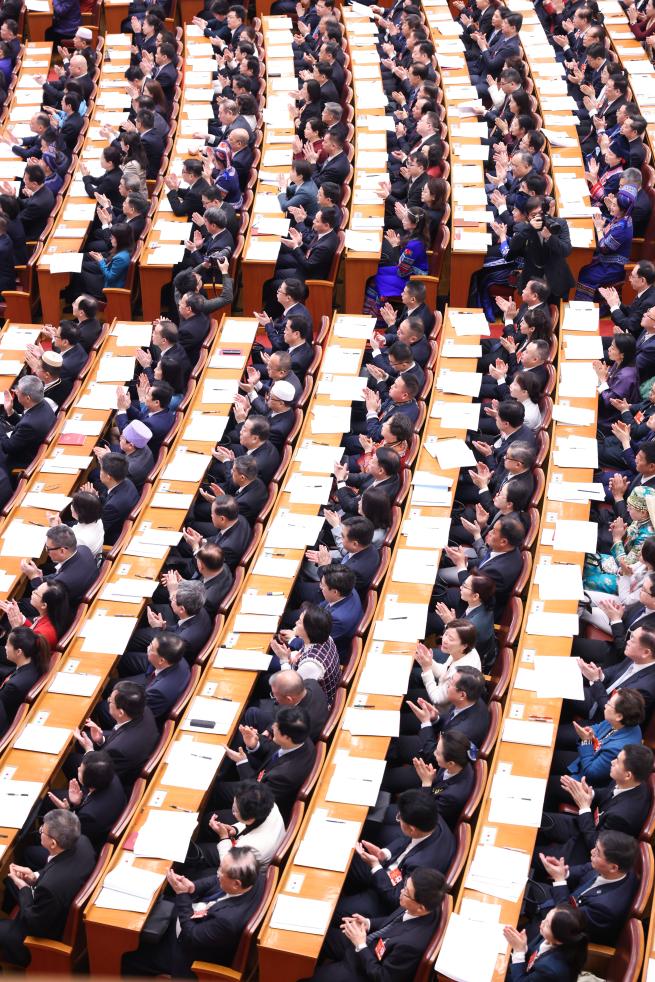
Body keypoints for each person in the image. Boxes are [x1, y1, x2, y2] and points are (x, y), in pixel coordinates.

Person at [122, 847, 266, 977]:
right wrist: (193, 887)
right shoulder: (254, 876)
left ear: (236, 884)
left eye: (222, 872)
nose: (218, 873)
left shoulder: (227, 921)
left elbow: (191, 935)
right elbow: (216, 881)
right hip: (197, 917)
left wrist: (182, 894)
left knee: (128, 953)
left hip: (187, 951)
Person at [311, 868, 446, 982]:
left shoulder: (410, 946)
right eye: (405, 886)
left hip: (364, 971)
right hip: (368, 944)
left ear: (421, 908)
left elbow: (382, 977)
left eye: (406, 892)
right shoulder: (423, 906)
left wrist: (360, 945)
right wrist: (368, 923)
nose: (401, 891)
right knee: (319, 936)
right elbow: (394, 922)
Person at [336, 789, 454, 919]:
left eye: (400, 818)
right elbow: (408, 838)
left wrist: (375, 865)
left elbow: (395, 898)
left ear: (412, 829)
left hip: (387, 896)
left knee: (336, 910)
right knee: (345, 857)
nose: (398, 820)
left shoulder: (420, 866)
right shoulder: (431, 819)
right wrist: (384, 853)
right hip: (390, 868)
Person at [0, 810, 95, 967]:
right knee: (9, 882)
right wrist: (35, 876)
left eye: (42, 830)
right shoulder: (83, 842)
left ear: (53, 843)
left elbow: (34, 924)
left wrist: (24, 887)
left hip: (41, 937)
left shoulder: (49, 888)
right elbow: (55, 867)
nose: (40, 831)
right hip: (58, 903)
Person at [539, 743, 653, 866]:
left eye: (618, 761)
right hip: (583, 826)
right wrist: (589, 792)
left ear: (628, 775)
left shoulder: (622, 816)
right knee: (537, 820)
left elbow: (596, 845)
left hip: (585, 850)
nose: (612, 762)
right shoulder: (632, 782)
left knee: (534, 856)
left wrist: (584, 807)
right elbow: (606, 793)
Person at [534, 831, 637, 945]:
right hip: (565, 901)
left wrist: (559, 879)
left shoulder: (605, 909)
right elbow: (585, 869)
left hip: (561, 928)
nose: (592, 851)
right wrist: (564, 872)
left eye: (597, 852)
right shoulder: (621, 870)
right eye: (595, 847)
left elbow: (567, 920)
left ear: (613, 868)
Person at [216, 706, 316, 822]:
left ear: (286, 737)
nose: (272, 727)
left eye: (276, 727)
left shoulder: (284, 775)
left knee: (215, 793)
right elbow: (274, 749)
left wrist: (242, 762)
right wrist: (254, 744)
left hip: (259, 811)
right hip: (261, 780)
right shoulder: (300, 739)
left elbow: (255, 795)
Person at [547, 689, 645, 803]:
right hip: (583, 762)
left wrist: (586, 741)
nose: (605, 706)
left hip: (586, 786)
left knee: (547, 784)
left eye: (609, 704)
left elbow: (590, 773)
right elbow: (597, 728)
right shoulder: (621, 721)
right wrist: (589, 733)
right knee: (549, 757)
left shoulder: (618, 748)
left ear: (619, 716)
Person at [70, 681, 159, 786]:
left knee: (70, 760)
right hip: (134, 749)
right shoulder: (144, 710)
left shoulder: (117, 750)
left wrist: (89, 750)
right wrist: (101, 740)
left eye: (110, 701)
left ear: (121, 712)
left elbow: (100, 773)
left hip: (117, 779)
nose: (108, 700)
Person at [42, 751, 126, 854]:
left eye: (80, 770)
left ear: (88, 781)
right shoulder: (111, 777)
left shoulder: (89, 815)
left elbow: (72, 836)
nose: (78, 769)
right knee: (48, 798)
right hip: (100, 813)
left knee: (31, 850)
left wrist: (67, 811)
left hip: (87, 844)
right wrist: (77, 803)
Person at [191, 783, 285, 872]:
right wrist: (235, 829)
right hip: (253, 845)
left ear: (249, 818)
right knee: (207, 820)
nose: (233, 812)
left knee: (197, 850)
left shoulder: (251, 846)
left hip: (241, 868)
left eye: (235, 810)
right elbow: (252, 822)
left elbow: (228, 865)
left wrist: (224, 837)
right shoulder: (268, 804)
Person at [583, 486, 654, 594]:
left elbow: (626, 568)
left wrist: (617, 539)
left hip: (627, 580)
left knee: (586, 580)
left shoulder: (647, 536)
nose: (627, 510)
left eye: (630, 507)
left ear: (644, 512)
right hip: (618, 564)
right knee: (585, 558)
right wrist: (622, 533)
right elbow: (629, 541)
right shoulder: (641, 520)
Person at [270, 604, 341, 707]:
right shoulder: (326, 638)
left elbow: (290, 688)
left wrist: (284, 659)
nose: (296, 623)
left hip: (310, 706)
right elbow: (305, 652)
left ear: (309, 630)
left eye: (299, 622)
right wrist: (292, 655)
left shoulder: (311, 665)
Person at [575, 185, 637, 301]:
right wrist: (611, 207)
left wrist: (599, 228)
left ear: (623, 209)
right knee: (581, 264)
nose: (611, 207)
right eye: (612, 204)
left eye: (614, 205)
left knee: (584, 274)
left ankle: (584, 303)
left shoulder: (622, 228)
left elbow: (603, 247)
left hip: (612, 266)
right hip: (604, 259)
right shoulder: (623, 216)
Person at [409, 623, 481, 714]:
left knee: (407, 697)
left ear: (464, 645)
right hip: (441, 689)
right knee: (412, 675)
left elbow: (437, 699)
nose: (444, 640)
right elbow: (444, 671)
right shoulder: (463, 650)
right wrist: (430, 662)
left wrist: (426, 668)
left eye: (450, 639)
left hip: (440, 712)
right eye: (445, 634)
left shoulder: (460, 673)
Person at [504, 906, 588, 982]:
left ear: (559, 939)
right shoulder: (550, 936)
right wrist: (523, 947)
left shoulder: (549, 969)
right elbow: (533, 955)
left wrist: (519, 951)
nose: (542, 922)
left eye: (547, 924)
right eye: (545, 918)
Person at [20, 524, 97, 606]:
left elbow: (44, 600)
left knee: (22, 604)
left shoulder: (62, 582)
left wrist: (34, 577)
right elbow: (59, 575)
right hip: (75, 591)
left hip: (64, 608)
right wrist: (41, 578)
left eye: (48, 549)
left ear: (62, 551)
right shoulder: (84, 549)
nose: (47, 551)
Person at [0, 375, 56, 474]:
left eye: (18, 390)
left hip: (21, 461)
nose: (15, 391)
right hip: (27, 447)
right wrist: (10, 412)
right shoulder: (43, 404)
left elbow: (8, 447)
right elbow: (25, 423)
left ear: (27, 398)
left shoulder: (29, 425)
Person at [81, 452, 139, 547]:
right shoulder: (126, 482)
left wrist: (89, 502)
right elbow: (107, 498)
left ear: (108, 477)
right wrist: (96, 497)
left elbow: (97, 528)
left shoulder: (113, 506)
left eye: (101, 470)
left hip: (109, 536)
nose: (99, 472)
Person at [0, 627, 50, 734]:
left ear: (19, 652)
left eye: (8, 645)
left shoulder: (14, 686)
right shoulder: (35, 663)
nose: (5, 647)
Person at [0, 581, 71, 652]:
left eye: (36, 593)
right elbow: (33, 630)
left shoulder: (43, 634)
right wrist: (22, 619)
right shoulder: (53, 617)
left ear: (44, 605)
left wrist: (16, 628)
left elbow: (20, 652)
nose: (32, 592)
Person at [81, 224, 133, 299]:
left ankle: (77, 300)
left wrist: (101, 261)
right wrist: (101, 258)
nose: (110, 238)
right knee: (81, 266)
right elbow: (112, 264)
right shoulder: (126, 248)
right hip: (108, 280)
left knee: (78, 271)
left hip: (109, 289)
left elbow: (109, 277)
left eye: (113, 237)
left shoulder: (121, 258)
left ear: (120, 239)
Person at [59, 488, 104, 558]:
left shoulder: (80, 539)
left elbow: (64, 553)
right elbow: (74, 531)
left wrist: (56, 528)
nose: (71, 507)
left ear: (80, 512)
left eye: (73, 505)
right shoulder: (98, 520)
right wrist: (59, 525)